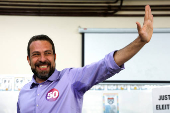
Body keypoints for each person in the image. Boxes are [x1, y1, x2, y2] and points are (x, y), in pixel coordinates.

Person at [17, 5, 153, 113]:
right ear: (28, 59)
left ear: (54, 57)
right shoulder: (24, 92)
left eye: (47, 53)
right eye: (36, 54)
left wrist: (140, 42)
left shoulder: (70, 79)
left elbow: (106, 65)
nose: (42, 59)